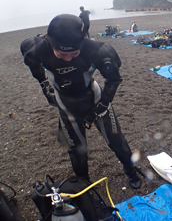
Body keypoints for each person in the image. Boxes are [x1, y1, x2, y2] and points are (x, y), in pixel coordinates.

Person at [20, 14, 142, 189]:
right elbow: (34, 66)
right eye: (62, 54)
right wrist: (44, 85)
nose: (68, 59)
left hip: (94, 98)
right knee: (77, 150)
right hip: (66, 104)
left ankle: (130, 171)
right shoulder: (36, 50)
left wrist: (103, 105)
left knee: (115, 139)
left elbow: (113, 80)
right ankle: (83, 184)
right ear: (50, 44)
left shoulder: (97, 50)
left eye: (74, 53)